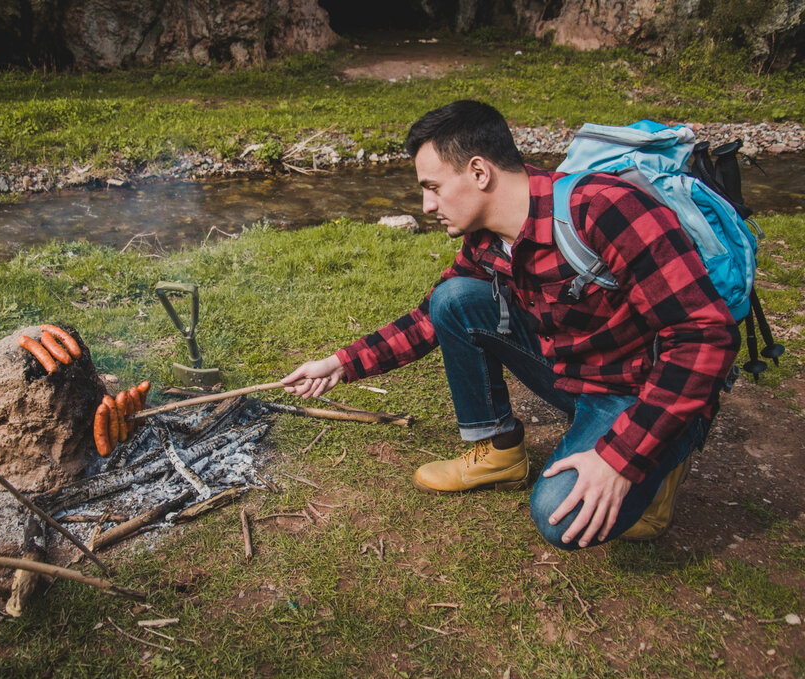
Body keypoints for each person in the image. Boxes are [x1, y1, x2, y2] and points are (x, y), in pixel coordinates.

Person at [281, 100, 739, 550]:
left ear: (479, 173)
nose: (425, 205)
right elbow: (429, 318)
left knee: (560, 515)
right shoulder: (487, 239)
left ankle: (661, 465)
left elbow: (705, 337)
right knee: (454, 299)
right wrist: (341, 364)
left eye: (433, 187)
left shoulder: (606, 210)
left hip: (637, 389)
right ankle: (497, 449)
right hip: (573, 373)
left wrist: (621, 458)